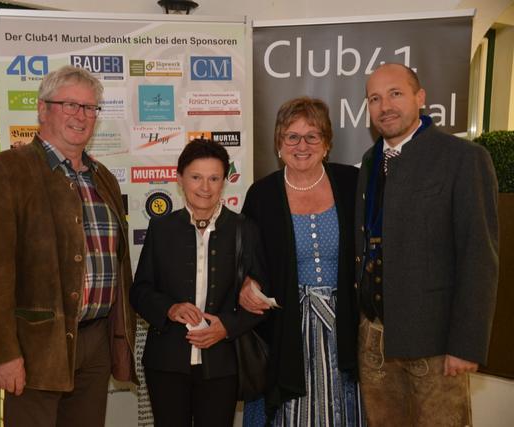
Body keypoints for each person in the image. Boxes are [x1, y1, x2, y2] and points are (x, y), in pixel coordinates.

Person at [0, 65, 136, 427]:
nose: (81, 116)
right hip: (35, 347)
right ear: (43, 109)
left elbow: (117, 265)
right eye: (70, 105)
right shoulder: (7, 170)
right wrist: (4, 354)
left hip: (95, 343)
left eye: (90, 108)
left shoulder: (101, 176)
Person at [356, 63, 499, 426]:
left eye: (395, 93)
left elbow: (479, 257)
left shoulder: (463, 158)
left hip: (436, 349)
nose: (385, 105)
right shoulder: (370, 162)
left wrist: (465, 345)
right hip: (376, 344)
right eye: (375, 98)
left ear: (420, 97)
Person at [240, 97, 364, 426]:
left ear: (327, 144)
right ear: (279, 144)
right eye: (291, 136)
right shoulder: (262, 194)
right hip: (286, 330)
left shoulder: (352, 183)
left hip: (346, 329)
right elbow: (246, 260)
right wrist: (247, 284)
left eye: (312, 136)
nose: (301, 145)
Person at [130, 139, 266, 427]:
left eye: (214, 178)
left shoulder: (245, 229)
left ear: (224, 182)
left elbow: (260, 299)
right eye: (196, 177)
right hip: (166, 363)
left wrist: (226, 326)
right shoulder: (161, 228)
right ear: (180, 179)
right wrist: (169, 308)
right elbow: (140, 291)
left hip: (222, 364)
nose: (205, 187)